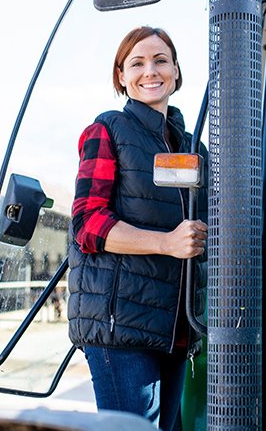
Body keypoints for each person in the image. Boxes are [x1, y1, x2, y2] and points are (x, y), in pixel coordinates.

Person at [66, 26, 208, 431]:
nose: (151, 71)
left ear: (177, 72)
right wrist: (167, 243)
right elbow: (87, 225)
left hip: (177, 327)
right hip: (120, 328)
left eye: (161, 60)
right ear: (122, 77)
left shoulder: (194, 149)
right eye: (138, 63)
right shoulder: (108, 130)